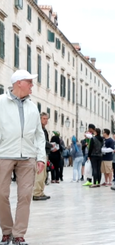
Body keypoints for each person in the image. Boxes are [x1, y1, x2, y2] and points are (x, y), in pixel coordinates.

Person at [0, 70, 46, 245]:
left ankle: (18, 234)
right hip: (3, 154)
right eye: (29, 82)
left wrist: (40, 157)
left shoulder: (33, 107)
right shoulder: (1, 102)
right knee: (1, 194)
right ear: (19, 83)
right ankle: (6, 230)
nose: (32, 85)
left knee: (25, 195)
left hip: (28, 157)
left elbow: (39, 135)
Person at [32, 112, 51, 201]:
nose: (46, 120)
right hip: (39, 154)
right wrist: (51, 145)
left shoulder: (44, 129)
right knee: (39, 173)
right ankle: (37, 193)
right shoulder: (38, 129)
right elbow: (41, 141)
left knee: (43, 175)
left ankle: (40, 191)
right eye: (44, 118)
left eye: (47, 119)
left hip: (44, 153)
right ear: (40, 119)